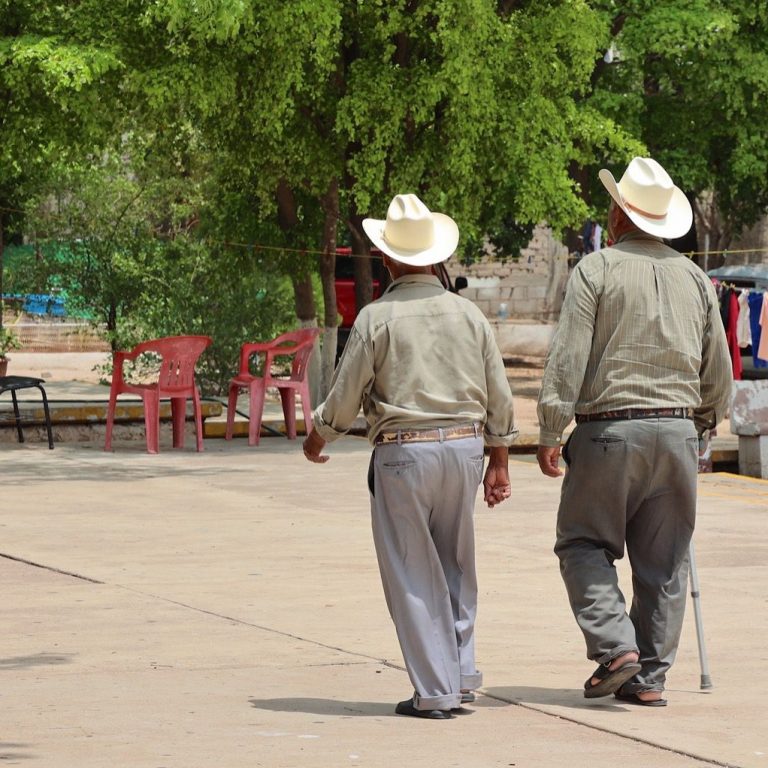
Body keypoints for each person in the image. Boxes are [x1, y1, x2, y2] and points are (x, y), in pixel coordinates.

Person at [303, 193, 518, 720]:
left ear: (388, 257)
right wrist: (500, 460)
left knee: (411, 570)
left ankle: (435, 691)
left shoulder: (378, 317)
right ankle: (461, 674)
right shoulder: (468, 315)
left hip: (405, 453)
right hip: (465, 449)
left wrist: (317, 438)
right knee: (456, 563)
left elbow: (345, 395)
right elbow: (500, 395)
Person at [536, 157, 731, 707]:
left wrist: (551, 428)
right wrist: (705, 423)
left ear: (618, 214)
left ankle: (617, 648)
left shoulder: (595, 270)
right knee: (664, 561)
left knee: (582, 542)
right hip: (677, 432)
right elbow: (717, 370)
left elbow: (569, 357)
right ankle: (649, 678)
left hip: (608, 431)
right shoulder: (695, 277)